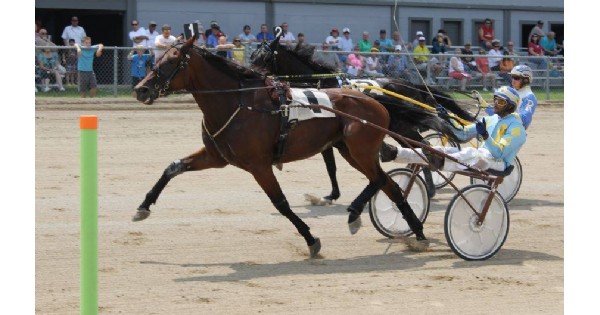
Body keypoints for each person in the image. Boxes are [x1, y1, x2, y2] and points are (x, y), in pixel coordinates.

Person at [384, 86, 526, 173]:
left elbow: (498, 153)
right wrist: (447, 116)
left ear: (510, 106)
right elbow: (462, 134)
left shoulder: (516, 128)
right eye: (495, 99)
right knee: (443, 150)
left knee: (471, 153)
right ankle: (396, 153)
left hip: (498, 163)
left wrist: (485, 135)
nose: (495, 104)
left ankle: (439, 161)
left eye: (500, 102)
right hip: (479, 157)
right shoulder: (490, 119)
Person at [486, 65, 538, 130]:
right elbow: (499, 114)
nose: (513, 80)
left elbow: (525, 119)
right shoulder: (511, 91)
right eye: (512, 77)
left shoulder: (529, 97)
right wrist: (484, 105)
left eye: (516, 78)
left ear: (526, 80)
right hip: (502, 127)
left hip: (513, 132)